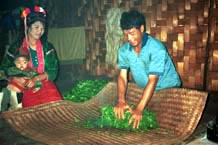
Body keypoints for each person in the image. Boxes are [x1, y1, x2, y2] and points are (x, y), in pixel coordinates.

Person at [113, 10, 181, 129]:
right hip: (147, 89)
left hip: (169, 90)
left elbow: (153, 80)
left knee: (165, 125)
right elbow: (122, 76)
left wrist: (139, 109)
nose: (129, 38)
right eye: (126, 34)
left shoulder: (156, 49)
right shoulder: (124, 50)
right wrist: (121, 100)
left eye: (132, 33)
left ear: (142, 28)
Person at [0, 5, 63, 108]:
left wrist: (36, 79)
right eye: (37, 27)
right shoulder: (16, 47)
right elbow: (3, 69)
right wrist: (15, 79)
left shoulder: (47, 47)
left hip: (43, 82)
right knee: (28, 112)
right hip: (22, 83)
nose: (40, 31)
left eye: (42, 28)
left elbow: (53, 70)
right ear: (28, 27)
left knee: (55, 109)